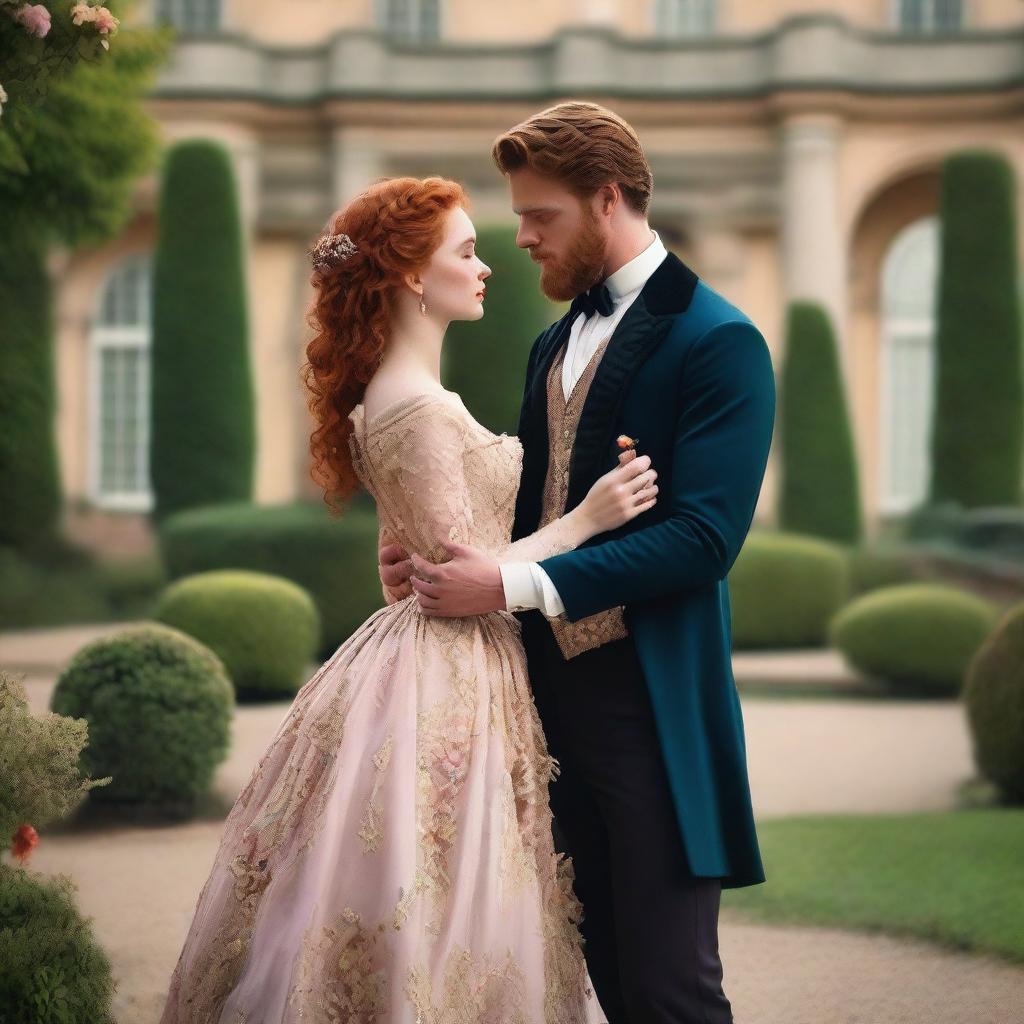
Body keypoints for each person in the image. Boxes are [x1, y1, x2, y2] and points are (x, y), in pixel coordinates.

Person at [158, 174, 662, 1024]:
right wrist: (587, 519)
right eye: (465, 252)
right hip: (450, 670)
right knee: (437, 890)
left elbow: (421, 551)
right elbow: (472, 567)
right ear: (410, 278)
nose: (485, 266)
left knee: (416, 884)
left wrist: (405, 559)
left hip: (429, 654)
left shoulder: (388, 399)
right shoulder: (419, 406)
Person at [380, 102, 777, 1024]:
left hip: (651, 711)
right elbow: (537, 508)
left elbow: (703, 540)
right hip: (533, 709)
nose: (519, 238)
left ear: (607, 201)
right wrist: (438, 560)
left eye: (538, 217)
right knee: (582, 984)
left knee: (672, 992)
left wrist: (509, 583)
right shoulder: (551, 343)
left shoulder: (721, 341)